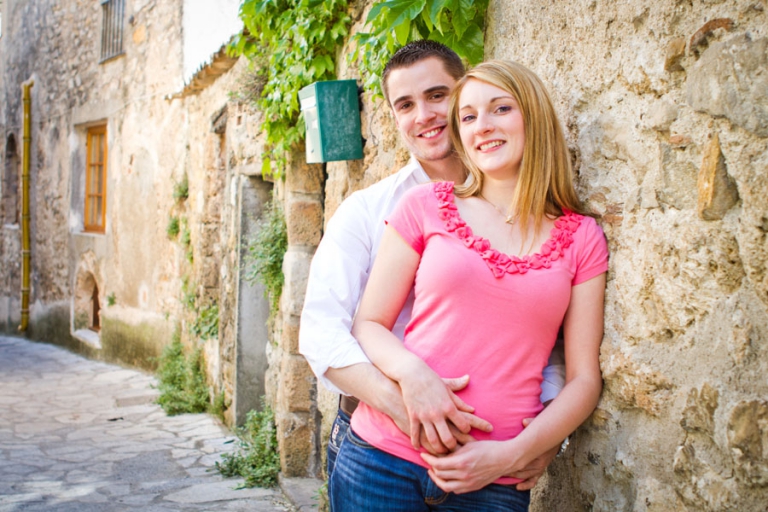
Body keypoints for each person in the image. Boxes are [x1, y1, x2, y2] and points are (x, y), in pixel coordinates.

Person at [328, 60, 609, 511]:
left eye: (501, 109)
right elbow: (369, 324)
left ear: (534, 116)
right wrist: (414, 375)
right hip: (382, 459)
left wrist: (513, 454)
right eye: (469, 116)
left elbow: (583, 380)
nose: (484, 126)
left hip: (495, 481)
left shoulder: (582, 238)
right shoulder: (425, 205)